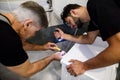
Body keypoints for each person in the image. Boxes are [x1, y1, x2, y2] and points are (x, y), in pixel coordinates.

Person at [54, 1, 120, 80]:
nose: (72, 26)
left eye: (69, 22)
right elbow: (89, 39)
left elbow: (118, 50)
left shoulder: (96, 4)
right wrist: (64, 36)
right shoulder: (93, 19)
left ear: (73, 12)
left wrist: (84, 66)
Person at [0, 1, 62, 78]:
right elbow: (26, 71)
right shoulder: (8, 39)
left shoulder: (3, 16)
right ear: (27, 24)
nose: (34, 35)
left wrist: (43, 47)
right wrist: (53, 57)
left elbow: (21, 46)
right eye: (36, 31)